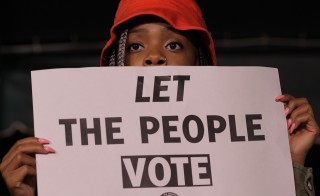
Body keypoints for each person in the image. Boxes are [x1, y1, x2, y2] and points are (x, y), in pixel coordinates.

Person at [0, 0, 319, 195]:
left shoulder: (244, 161)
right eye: (136, 46)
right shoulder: (83, 166)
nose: (153, 57)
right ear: (118, 61)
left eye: (174, 45)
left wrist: (288, 163)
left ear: (201, 61)